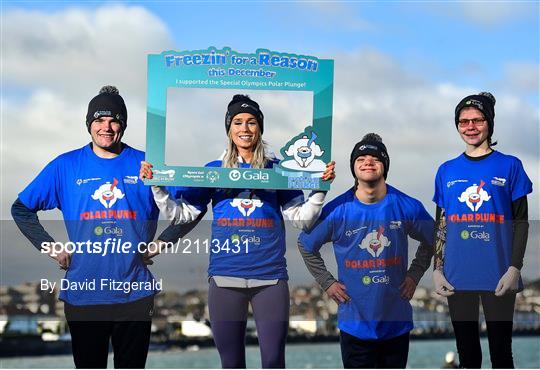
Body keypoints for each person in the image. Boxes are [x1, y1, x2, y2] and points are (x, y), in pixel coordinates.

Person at [140, 94, 335, 368]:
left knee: (274, 362)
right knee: (231, 364)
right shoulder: (213, 171)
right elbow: (181, 214)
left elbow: (302, 220)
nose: (245, 128)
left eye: (252, 122)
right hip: (224, 278)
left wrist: (319, 190)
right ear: (229, 129)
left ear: (260, 128)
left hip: (270, 278)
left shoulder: (279, 171)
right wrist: (157, 186)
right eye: (238, 122)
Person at [11, 86, 163, 368]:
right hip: (84, 295)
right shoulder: (65, 166)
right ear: (89, 124)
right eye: (99, 120)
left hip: (135, 295)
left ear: (123, 125)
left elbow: (188, 207)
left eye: (114, 120)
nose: (106, 127)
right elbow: (20, 209)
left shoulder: (146, 165)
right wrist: (52, 247)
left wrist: (162, 242)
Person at [298, 133, 434, 368]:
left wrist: (415, 274)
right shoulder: (338, 210)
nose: (368, 161)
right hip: (355, 325)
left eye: (375, 157)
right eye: (361, 158)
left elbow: (435, 238)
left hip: (396, 323)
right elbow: (305, 245)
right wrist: (327, 282)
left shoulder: (407, 206)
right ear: (353, 167)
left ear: (385, 166)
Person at [432, 92, 532, 368]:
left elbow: (521, 222)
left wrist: (514, 268)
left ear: (489, 123)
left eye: (477, 120)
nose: (470, 127)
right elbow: (441, 224)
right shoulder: (446, 170)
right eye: (463, 122)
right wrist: (437, 269)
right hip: (457, 276)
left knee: (501, 354)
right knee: (468, 355)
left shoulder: (510, 166)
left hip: (499, 275)